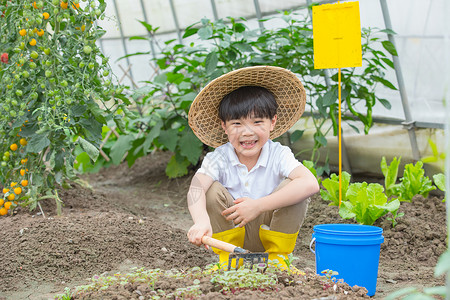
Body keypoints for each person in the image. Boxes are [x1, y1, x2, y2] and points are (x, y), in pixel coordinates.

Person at [186, 66, 320, 270]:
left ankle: (277, 259)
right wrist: (200, 221)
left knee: (295, 186)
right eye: (237, 124)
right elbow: (196, 187)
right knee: (211, 189)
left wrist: (258, 206)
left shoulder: (278, 154)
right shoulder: (220, 157)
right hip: (232, 238)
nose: (247, 132)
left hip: (270, 230)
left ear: (272, 122)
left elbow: (310, 184)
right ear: (224, 126)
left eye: (257, 122)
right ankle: (229, 262)